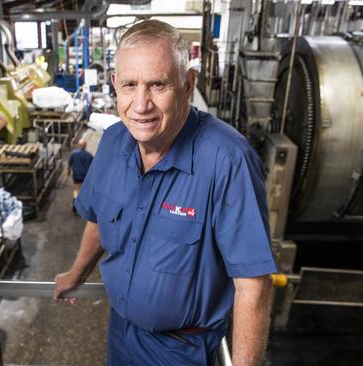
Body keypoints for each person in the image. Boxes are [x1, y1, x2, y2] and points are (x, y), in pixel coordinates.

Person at [54, 20, 276, 366]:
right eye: (129, 85)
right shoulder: (114, 142)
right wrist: (76, 273)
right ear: (115, 84)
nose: (140, 105)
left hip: (181, 351)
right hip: (121, 333)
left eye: (157, 85)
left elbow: (253, 285)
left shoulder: (226, 160)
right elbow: (100, 218)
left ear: (188, 84)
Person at [67, 139, 93, 208]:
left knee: (76, 189)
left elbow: (69, 164)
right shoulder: (89, 155)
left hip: (76, 176)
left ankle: (75, 202)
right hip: (86, 177)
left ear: (78, 145)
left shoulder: (74, 154)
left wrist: (68, 172)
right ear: (85, 146)